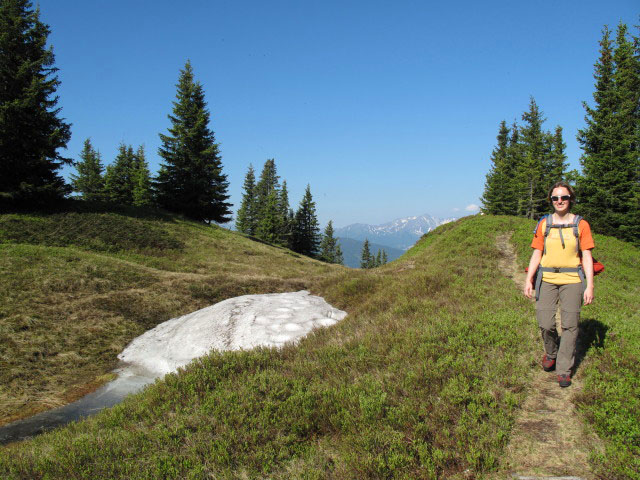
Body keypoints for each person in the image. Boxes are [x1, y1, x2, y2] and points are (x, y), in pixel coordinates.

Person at [523, 182, 595, 388]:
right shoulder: (544, 223)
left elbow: (587, 256)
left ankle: (564, 369)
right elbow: (537, 252)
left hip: (572, 280)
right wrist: (529, 279)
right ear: (551, 201)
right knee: (545, 322)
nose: (559, 201)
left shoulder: (581, 225)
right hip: (546, 279)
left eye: (563, 197)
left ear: (571, 199)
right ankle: (552, 352)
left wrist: (590, 285)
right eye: (555, 198)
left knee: (570, 325)